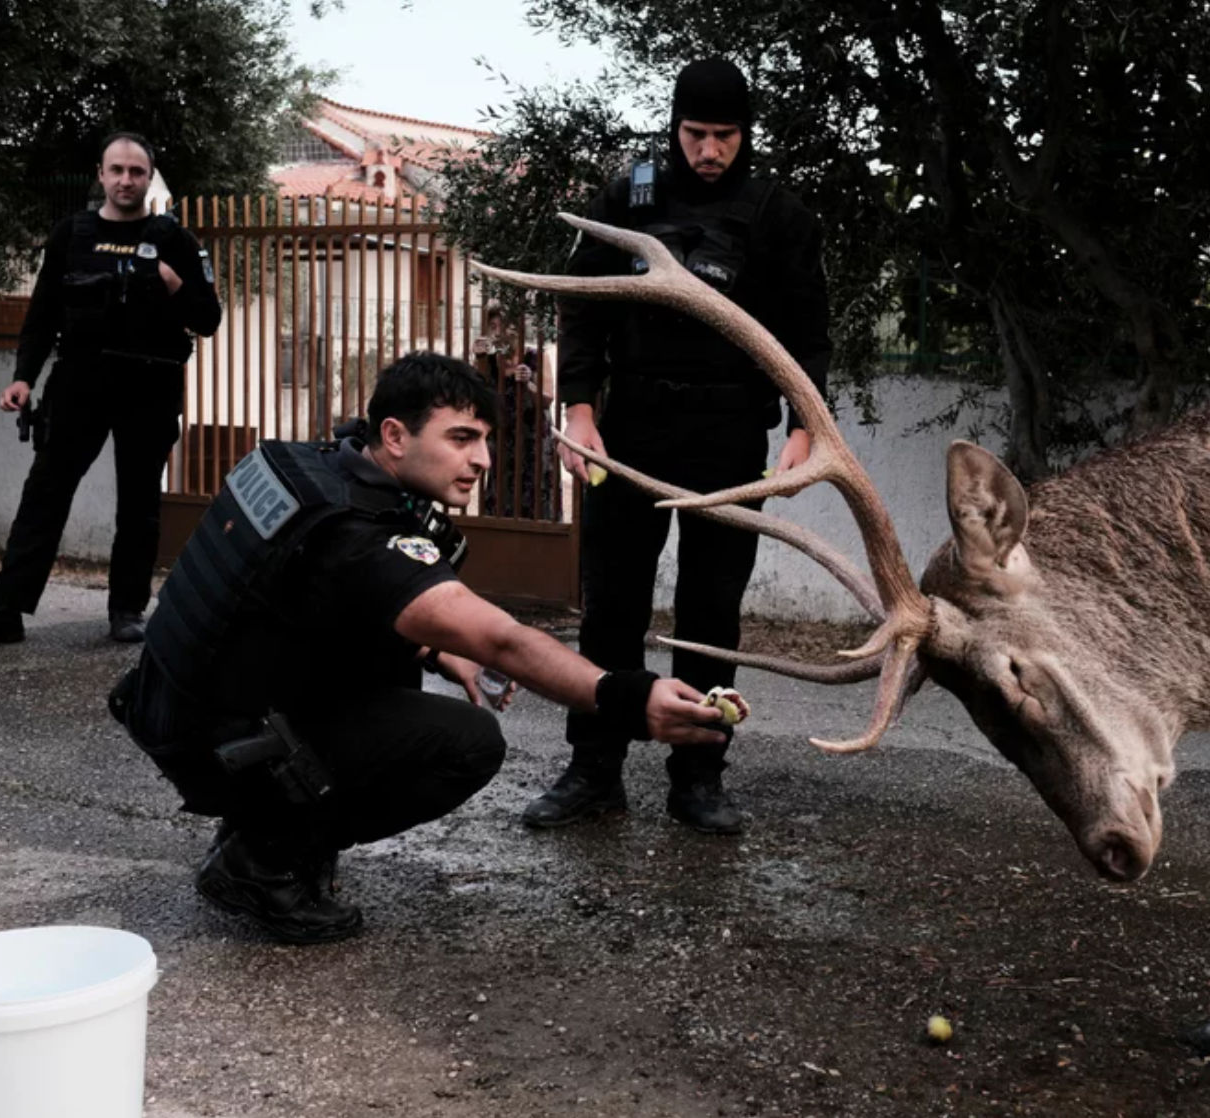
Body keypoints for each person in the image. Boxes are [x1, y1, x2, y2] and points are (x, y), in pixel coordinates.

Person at [109, 352, 726, 944]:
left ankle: (261, 823)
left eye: (485, 439)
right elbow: (502, 639)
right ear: (396, 436)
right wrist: (627, 698)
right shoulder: (356, 535)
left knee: (401, 669)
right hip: (213, 741)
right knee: (467, 744)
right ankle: (262, 859)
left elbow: (307, 612)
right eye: (461, 439)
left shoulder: (311, 465)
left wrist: (434, 652)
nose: (482, 459)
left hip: (173, 705)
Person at [522, 57, 832, 836]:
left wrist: (805, 430)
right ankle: (594, 768)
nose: (710, 151)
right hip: (628, 432)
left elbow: (806, 338)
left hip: (729, 438)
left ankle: (699, 774)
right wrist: (581, 410)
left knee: (709, 614)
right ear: (675, 126)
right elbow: (583, 308)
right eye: (697, 134)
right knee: (611, 609)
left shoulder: (779, 217)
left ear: (744, 134)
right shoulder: (629, 196)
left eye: (725, 136)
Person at [0, 131, 222, 644]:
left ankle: (126, 610)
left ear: (148, 177)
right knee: (45, 494)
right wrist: (24, 377)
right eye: (116, 170)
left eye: (135, 171)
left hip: (152, 382)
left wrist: (173, 283)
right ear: (100, 174)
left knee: (140, 502)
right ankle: (6, 607)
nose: (125, 179)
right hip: (80, 380)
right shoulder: (70, 234)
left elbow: (209, 318)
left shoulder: (176, 241)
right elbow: (43, 313)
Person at [473, 303, 555, 519]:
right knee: (501, 499)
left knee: (537, 498)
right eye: (493, 326)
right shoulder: (489, 361)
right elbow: (476, 395)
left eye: (503, 325)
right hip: (502, 442)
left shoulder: (537, 357)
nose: (497, 331)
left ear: (516, 328)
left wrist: (528, 383)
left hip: (534, 441)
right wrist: (479, 359)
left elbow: (547, 399)